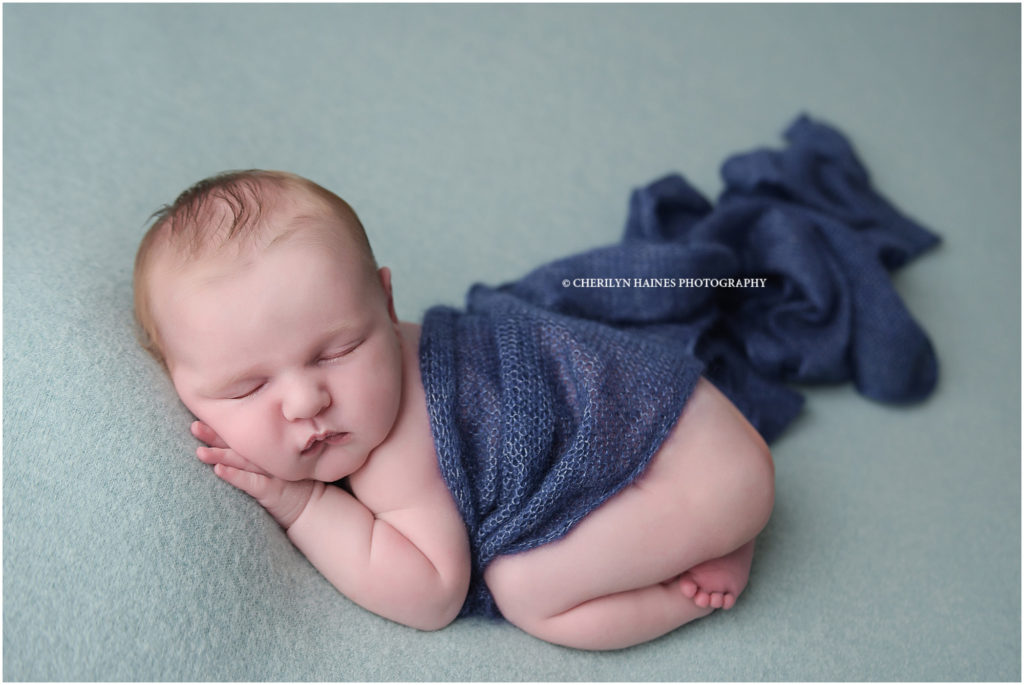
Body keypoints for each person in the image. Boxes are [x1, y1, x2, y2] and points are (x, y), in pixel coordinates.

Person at [133, 169, 774, 651]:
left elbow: (432, 593)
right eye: (247, 388)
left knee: (526, 589)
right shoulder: (361, 379)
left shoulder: (397, 452)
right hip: (695, 427)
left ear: (387, 305)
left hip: (702, 471)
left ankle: (691, 581)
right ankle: (704, 533)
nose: (306, 401)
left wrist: (302, 505)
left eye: (339, 350)